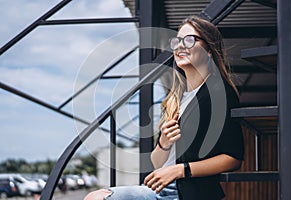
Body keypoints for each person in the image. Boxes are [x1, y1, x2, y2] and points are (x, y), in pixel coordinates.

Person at [84, 15, 244, 200]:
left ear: (209, 50)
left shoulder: (218, 94)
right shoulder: (176, 99)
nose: (180, 46)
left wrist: (180, 170)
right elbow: (157, 163)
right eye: (177, 41)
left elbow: (233, 158)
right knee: (96, 196)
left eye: (190, 40)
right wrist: (164, 143)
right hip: (160, 188)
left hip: (184, 192)